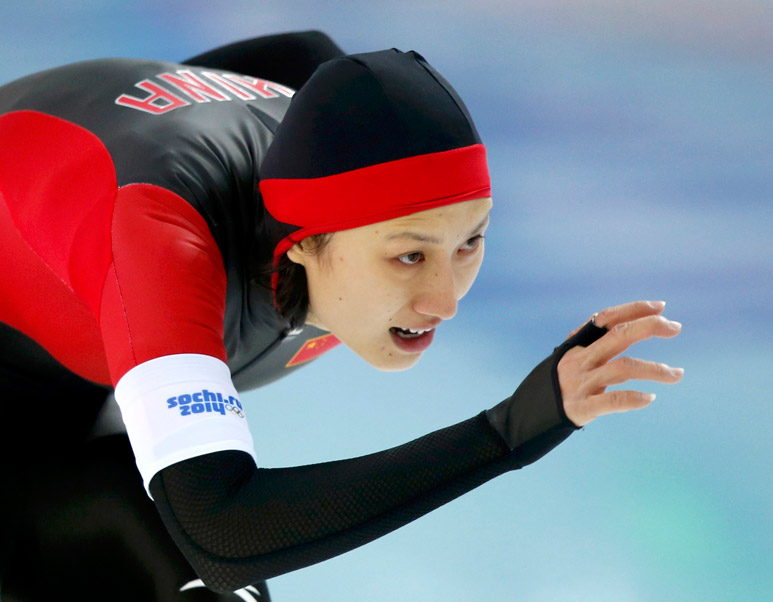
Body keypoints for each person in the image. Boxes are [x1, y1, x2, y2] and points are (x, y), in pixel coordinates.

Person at [0, 31, 683, 601]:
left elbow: (299, 50)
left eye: (470, 241)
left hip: (64, 394)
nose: (446, 300)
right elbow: (223, 534)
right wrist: (504, 434)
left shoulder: (322, 127)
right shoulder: (161, 238)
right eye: (410, 258)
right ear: (301, 245)